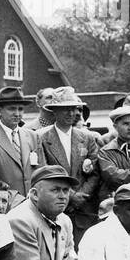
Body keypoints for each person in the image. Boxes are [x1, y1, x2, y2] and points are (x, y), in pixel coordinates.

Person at [35, 87, 103, 243]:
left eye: (74, 109)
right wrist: (69, 195)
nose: (71, 113)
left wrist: (81, 196)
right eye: (65, 109)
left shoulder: (87, 137)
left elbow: (95, 172)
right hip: (53, 208)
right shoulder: (41, 137)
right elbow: (44, 170)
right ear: (55, 112)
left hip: (83, 211)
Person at [0, 87, 38, 209]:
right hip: (4, 205)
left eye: (20, 109)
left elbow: (40, 170)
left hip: (33, 204)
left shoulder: (32, 136)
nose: (17, 113)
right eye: (12, 109)